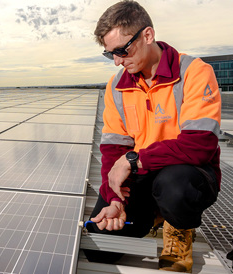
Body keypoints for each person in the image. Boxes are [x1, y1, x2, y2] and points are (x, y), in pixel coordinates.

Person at [86, 0, 221, 272]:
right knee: (100, 250)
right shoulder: (117, 86)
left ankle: (179, 229)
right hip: (144, 175)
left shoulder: (193, 72)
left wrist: (133, 160)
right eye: (109, 54)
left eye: (122, 50)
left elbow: (199, 145)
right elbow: (114, 150)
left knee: (174, 186)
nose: (117, 62)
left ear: (147, 35)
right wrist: (115, 199)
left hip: (188, 175)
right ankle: (154, 215)